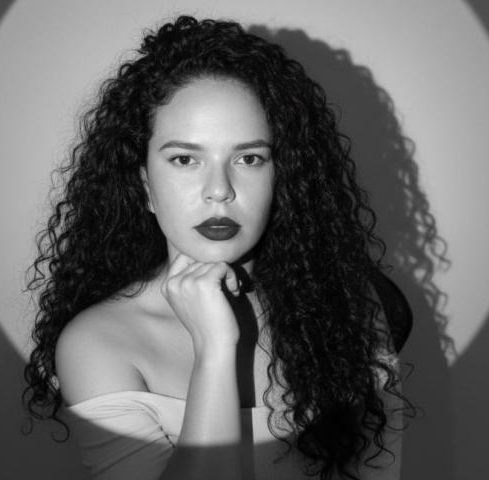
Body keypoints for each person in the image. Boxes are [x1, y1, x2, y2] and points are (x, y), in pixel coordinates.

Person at [23, 15, 413, 480]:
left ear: (282, 176)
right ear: (144, 186)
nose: (219, 190)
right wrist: (214, 349)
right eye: (185, 159)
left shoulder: (348, 306)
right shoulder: (99, 344)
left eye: (248, 158)